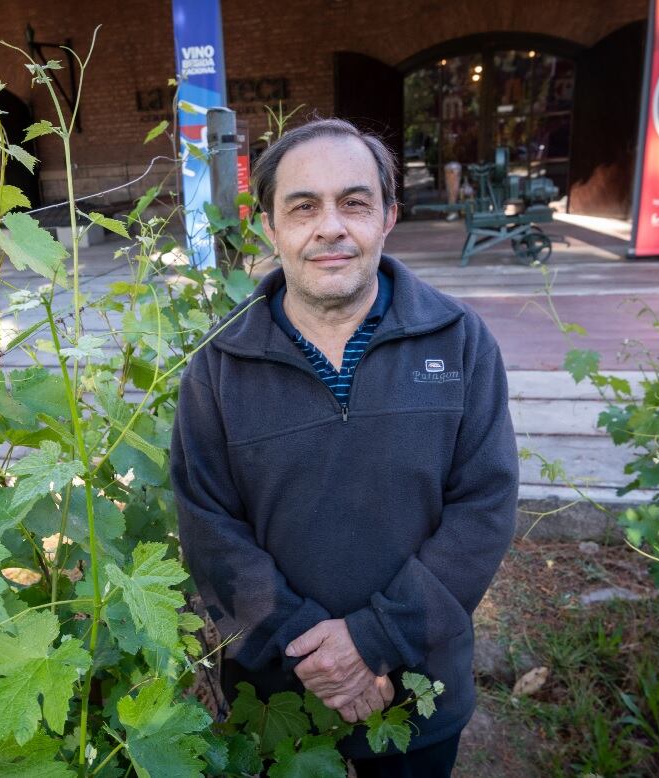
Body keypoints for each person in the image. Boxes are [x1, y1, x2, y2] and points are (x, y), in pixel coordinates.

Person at [171, 118, 519, 776]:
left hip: (417, 693)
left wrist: (375, 638)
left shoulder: (459, 341)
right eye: (302, 206)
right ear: (268, 227)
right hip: (276, 701)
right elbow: (208, 530)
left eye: (353, 202)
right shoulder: (216, 365)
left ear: (387, 216)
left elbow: (485, 506)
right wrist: (321, 656)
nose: (329, 226)